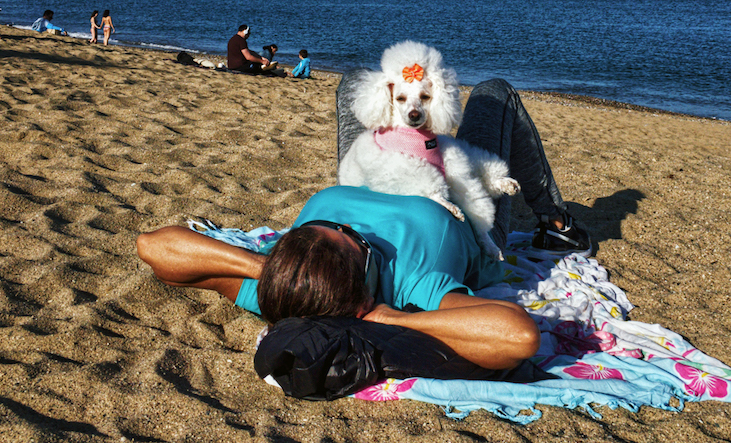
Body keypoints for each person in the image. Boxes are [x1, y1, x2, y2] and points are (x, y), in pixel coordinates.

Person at [137, 74, 592, 370]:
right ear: (364, 291)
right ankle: (555, 221)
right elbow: (516, 335)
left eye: (325, 227)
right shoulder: (413, 285)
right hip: (462, 203)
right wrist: (392, 318)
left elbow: (153, 246)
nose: (343, 226)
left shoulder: (285, 285)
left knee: (356, 80)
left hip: (376, 169)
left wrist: (267, 268)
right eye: (352, 238)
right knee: (494, 94)